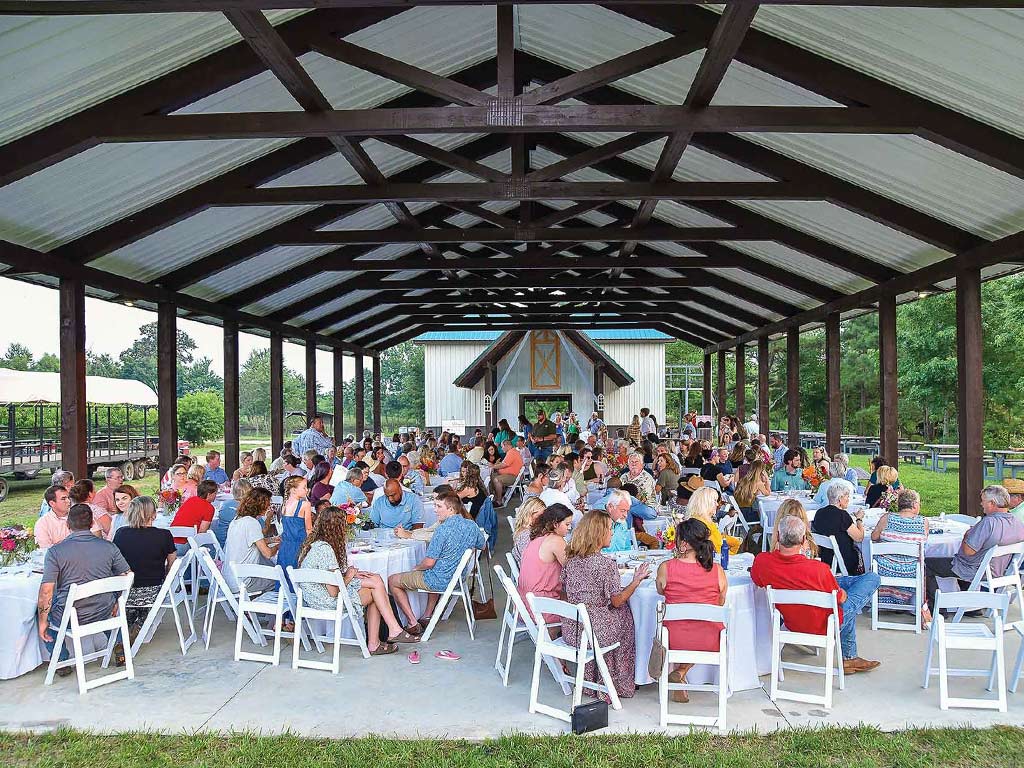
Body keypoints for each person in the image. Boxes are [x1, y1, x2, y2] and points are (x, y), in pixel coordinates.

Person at [752, 515, 880, 674]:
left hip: (792, 620)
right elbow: (841, 598)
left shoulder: (762, 562)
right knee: (871, 579)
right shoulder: (819, 569)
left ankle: (850, 658)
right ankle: (849, 658)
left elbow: (757, 580)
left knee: (845, 583)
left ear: (777, 536)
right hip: (823, 626)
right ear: (804, 540)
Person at [296, 506, 419, 655]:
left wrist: (350, 574)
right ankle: (382, 638)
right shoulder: (325, 549)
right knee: (375, 591)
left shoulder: (316, 544)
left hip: (317, 594)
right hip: (324, 599)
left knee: (375, 579)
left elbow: (327, 576)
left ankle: (390, 632)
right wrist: (348, 576)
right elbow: (333, 591)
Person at [36, 504, 132, 673]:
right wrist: (118, 598)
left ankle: (62, 661)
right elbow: (127, 574)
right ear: (92, 523)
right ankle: (118, 643)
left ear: (68, 525)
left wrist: (42, 621)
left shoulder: (56, 551)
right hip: (103, 609)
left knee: (40, 612)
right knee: (106, 606)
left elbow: (46, 591)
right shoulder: (109, 547)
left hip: (72, 615)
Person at [561, 510, 646, 701]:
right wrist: (636, 581)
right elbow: (617, 600)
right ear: (599, 533)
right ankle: (619, 681)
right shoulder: (606, 564)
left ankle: (594, 678)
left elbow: (564, 591)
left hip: (572, 627)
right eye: (609, 529)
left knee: (616, 613)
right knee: (625, 615)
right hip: (593, 631)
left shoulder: (571, 560)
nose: (612, 533)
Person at [388, 491, 485, 635]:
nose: (435, 510)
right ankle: (427, 615)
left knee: (392, 580)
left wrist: (416, 568)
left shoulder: (442, 529)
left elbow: (428, 563)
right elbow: (482, 546)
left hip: (439, 580)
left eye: (439, 506)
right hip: (459, 579)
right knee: (434, 568)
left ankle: (412, 622)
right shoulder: (471, 525)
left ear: (451, 509)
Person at [656, 518, 728, 702]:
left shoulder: (666, 567)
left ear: (684, 544)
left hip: (673, 637)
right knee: (705, 629)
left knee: (681, 630)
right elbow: (720, 603)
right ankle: (681, 672)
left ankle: (679, 672)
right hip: (709, 638)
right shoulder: (717, 570)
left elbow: (660, 590)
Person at [924, 485, 1024, 613]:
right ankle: (972, 608)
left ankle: (938, 609)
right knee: (959, 561)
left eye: (983, 501)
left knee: (926, 564)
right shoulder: (1017, 523)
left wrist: (967, 535)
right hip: (999, 569)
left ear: (992, 503)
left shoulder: (989, 523)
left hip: (976, 570)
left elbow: (968, 551)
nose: (981, 504)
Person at [113, 496, 176, 636]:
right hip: (153, 591)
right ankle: (138, 623)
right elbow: (172, 563)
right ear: (153, 514)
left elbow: (115, 562)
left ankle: (128, 628)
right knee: (147, 589)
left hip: (126, 591)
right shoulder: (164, 535)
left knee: (131, 603)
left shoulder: (121, 533)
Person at [870, 488, 931, 625]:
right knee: (923, 566)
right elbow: (924, 542)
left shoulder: (887, 518)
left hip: (884, 570)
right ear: (915, 505)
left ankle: (883, 599)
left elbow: (874, 537)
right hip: (910, 571)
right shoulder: (923, 522)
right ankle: (914, 605)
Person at [517, 504, 573, 626]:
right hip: (542, 607)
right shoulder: (556, 540)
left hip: (525, 604)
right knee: (586, 604)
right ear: (555, 524)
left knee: (570, 596)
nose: (569, 528)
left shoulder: (538, 537)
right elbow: (574, 570)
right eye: (567, 524)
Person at [224, 488, 280, 594]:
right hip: (244, 581)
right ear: (260, 505)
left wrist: (272, 539)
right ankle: (261, 607)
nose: (269, 507)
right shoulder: (251, 523)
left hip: (229, 578)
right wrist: (278, 546)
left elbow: (249, 541)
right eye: (268, 503)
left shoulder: (237, 520)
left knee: (268, 567)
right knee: (280, 579)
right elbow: (268, 554)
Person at [811, 480, 866, 575]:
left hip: (825, 559)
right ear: (840, 499)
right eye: (847, 496)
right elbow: (859, 537)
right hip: (843, 562)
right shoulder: (842, 516)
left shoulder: (819, 513)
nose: (848, 499)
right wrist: (859, 519)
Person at [277, 476, 314, 589]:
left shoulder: (284, 505)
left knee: (284, 575)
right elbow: (309, 529)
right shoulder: (305, 505)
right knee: (299, 576)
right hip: (300, 545)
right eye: (304, 487)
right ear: (293, 490)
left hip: (285, 547)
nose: (306, 490)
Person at [169, 479, 218, 555]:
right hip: (184, 546)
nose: (216, 495)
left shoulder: (190, 500)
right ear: (209, 495)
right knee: (212, 548)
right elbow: (202, 532)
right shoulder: (209, 508)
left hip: (169, 544)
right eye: (215, 493)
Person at [212, 478, 250, 550]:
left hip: (221, 543)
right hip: (239, 547)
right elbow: (262, 531)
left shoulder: (225, 505)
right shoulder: (250, 508)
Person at [686, 486, 725, 554]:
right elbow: (716, 549)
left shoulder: (698, 519)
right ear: (706, 503)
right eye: (714, 501)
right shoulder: (702, 525)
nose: (717, 504)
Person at [510, 497, 546, 567]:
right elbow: (530, 561)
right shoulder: (526, 535)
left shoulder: (524, 529)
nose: (543, 518)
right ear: (530, 514)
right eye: (540, 516)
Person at [734, 459, 770, 523]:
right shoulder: (757, 482)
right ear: (761, 471)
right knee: (766, 515)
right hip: (748, 514)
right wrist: (767, 480)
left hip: (738, 513)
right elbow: (768, 493)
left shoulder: (744, 479)